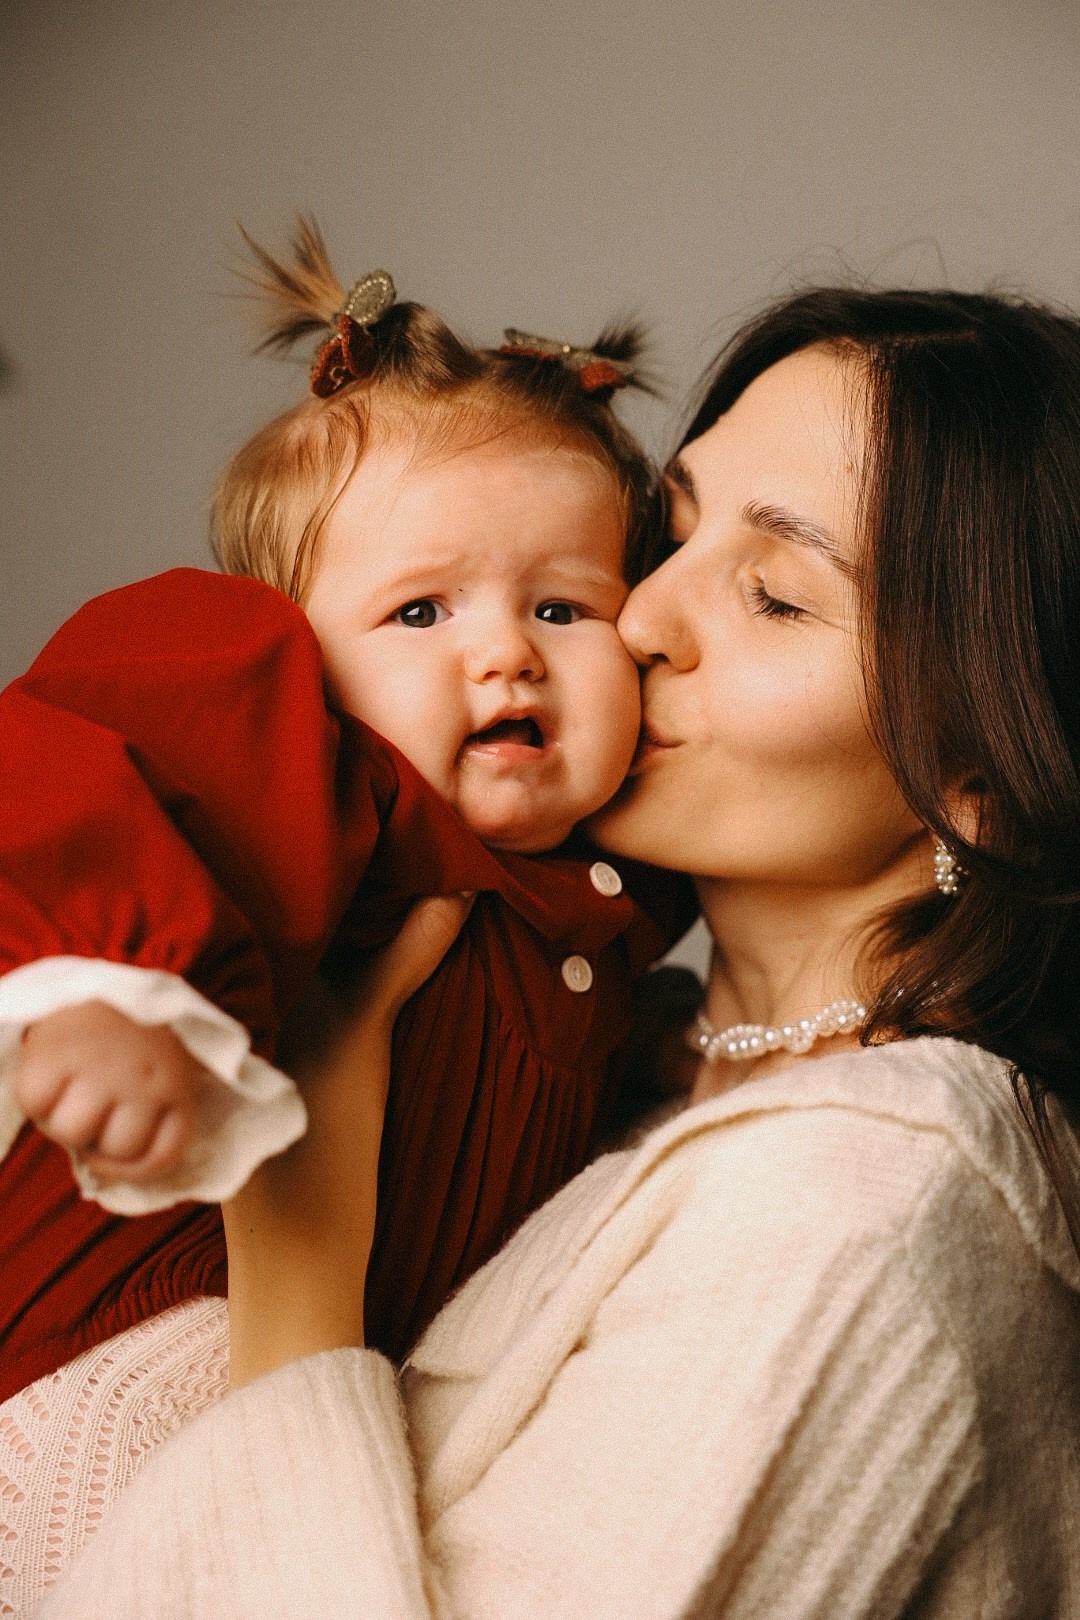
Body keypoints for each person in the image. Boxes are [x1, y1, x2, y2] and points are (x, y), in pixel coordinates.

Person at [32, 284, 1080, 1619]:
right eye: (671, 532)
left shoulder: (861, 1216)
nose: (634, 618)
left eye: (770, 594)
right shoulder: (635, 1057)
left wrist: (299, 1249)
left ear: (986, 770)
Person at [0, 226, 694, 1616]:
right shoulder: (323, 787)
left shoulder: (622, 895)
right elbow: (72, 762)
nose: (502, 650)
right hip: (106, 1359)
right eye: (420, 610)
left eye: (562, 606)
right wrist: (95, 990)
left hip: (320, 1383)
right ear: (300, 655)